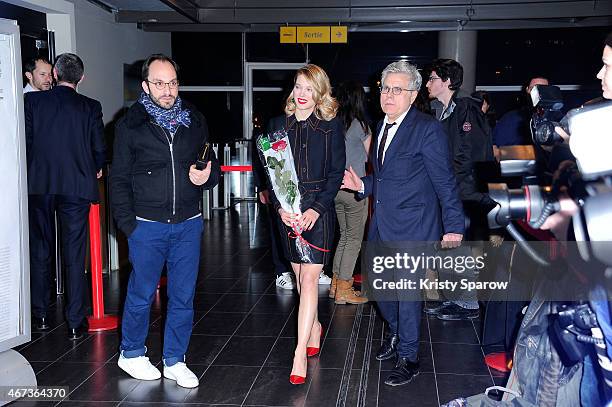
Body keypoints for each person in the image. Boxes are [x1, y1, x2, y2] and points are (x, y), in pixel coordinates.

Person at [342, 60, 464, 386]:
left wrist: (454, 226)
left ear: (412, 95)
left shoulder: (427, 129)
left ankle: (409, 357)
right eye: (385, 88)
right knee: (381, 291)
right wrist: (363, 186)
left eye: (398, 89)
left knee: (407, 296)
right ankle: (397, 335)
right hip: (382, 224)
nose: (389, 95)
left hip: (415, 227)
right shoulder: (381, 126)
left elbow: (445, 182)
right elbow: (386, 176)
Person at [111, 54, 220, 389]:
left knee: (184, 296)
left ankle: (175, 359)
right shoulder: (130, 125)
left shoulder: (193, 119)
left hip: (188, 223)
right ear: (145, 85)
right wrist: (130, 225)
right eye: (159, 83)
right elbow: (117, 179)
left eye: (172, 82)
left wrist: (207, 175)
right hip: (148, 225)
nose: (167, 89)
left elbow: (209, 161)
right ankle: (131, 353)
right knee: (141, 294)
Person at [265, 64, 345, 384]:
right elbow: (270, 173)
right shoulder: (276, 125)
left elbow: (336, 173)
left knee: (310, 280)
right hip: (288, 211)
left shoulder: (330, 125)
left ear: (319, 92)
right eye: (298, 86)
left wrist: (316, 209)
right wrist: (279, 207)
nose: (302, 94)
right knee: (299, 277)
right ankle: (314, 327)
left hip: (318, 210)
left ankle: (299, 352)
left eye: (309, 88)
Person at [25, 53, 105, 339]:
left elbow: (27, 144)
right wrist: (95, 168)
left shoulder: (32, 102)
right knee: (74, 252)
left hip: (39, 185)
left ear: (55, 75)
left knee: (41, 249)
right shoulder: (90, 107)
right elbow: (99, 148)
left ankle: (42, 315)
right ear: (81, 78)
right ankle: (74, 321)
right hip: (77, 185)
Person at [425, 58, 496, 320]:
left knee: (459, 247)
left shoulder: (466, 110)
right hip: (451, 191)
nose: (428, 83)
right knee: (449, 246)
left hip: (465, 192)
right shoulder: (440, 111)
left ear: (446, 81)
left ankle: (468, 304)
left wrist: (446, 183)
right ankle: (454, 298)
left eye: (432, 78)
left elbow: (469, 155)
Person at [330, 81, 371, 305]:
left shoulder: (333, 124)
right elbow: (373, 156)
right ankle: (344, 290)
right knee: (354, 239)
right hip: (354, 188)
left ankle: (336, 285)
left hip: (335, 188)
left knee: (344, 236)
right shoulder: (360, 125)